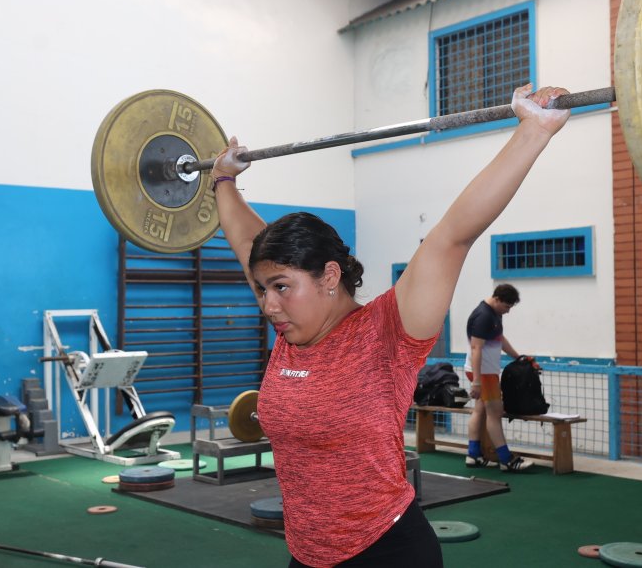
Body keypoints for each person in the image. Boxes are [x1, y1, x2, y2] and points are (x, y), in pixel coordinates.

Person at [211, 84, 569, 568]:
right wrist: (222, 182)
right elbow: (248, 241)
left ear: (329, 277)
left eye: (280, 287)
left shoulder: (385, 332)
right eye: (261, 290)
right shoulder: (291, 329)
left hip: (385, 551)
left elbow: (453, 237)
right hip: (308, 552)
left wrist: (533, 131)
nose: (268, 305)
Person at [464, 284, 532, 472]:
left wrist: (518, 357)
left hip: (485, 372)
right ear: (497, 299)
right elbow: (476, 348)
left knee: (480, 410)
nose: (508, 311)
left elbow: (499, 339)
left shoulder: (494, 313)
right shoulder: (484, 316)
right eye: (507, 307)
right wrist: (477, 381)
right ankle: (506, 460)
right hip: (483, 374)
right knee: (495, 413)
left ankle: (473, 454)